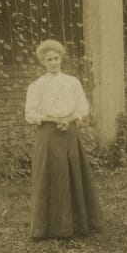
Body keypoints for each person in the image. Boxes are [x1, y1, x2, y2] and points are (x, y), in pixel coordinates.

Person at [24, 39, 102, 239]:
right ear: (42, 61)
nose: (53, 62)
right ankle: (48, 227)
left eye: (56, 58)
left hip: (69, 132)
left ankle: (78, 224)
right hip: (48, 134)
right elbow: (30, 113)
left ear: (61, 59)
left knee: (73, 174)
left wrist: (70, 119)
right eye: (48, 59)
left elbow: (83, 107)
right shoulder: (36, 86)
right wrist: (49, 118)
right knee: (50, 176)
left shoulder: (72, 82)